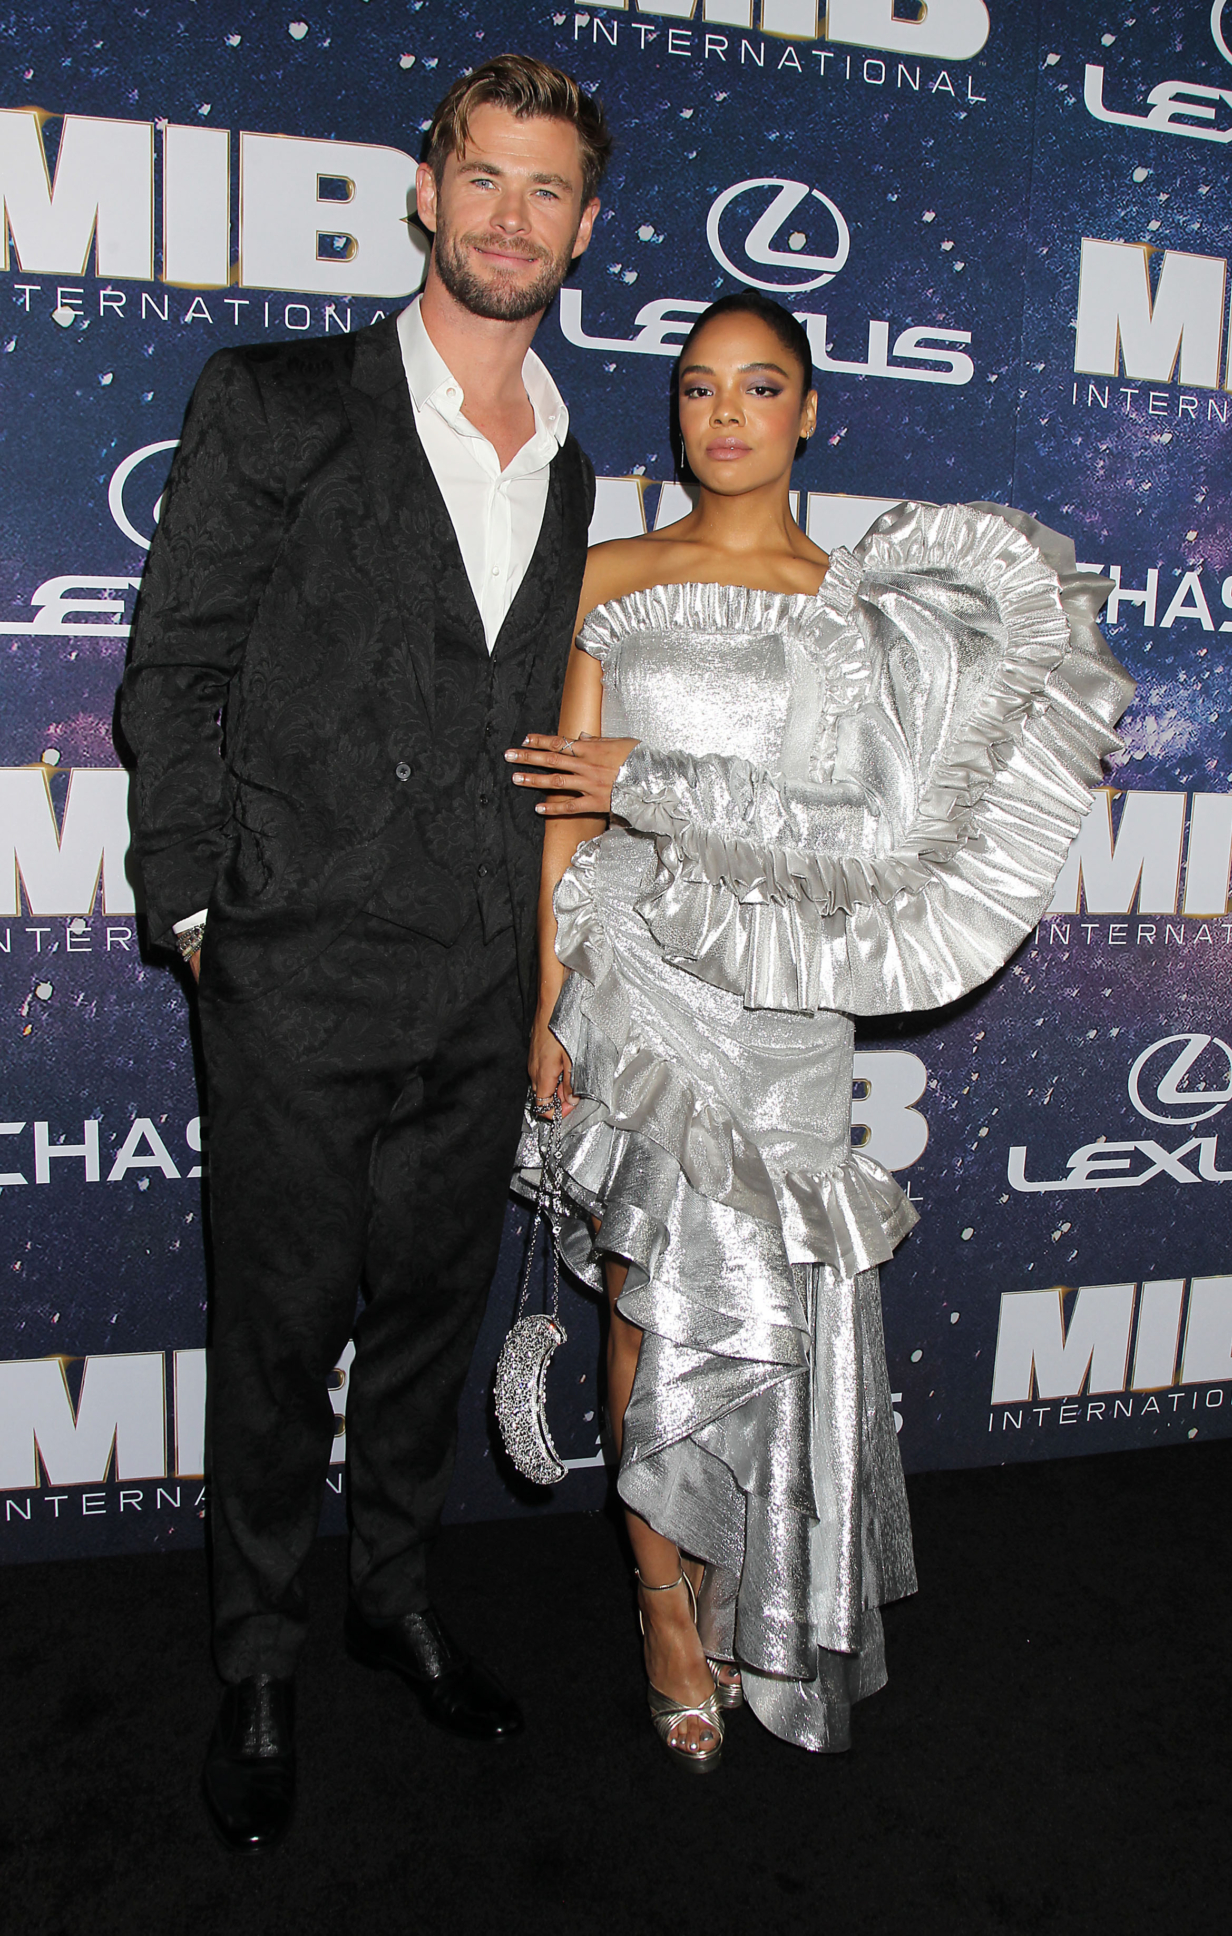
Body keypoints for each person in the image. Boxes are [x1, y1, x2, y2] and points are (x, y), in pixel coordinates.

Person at [508, 290, 1133, 1769]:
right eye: (698, 386)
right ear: (676, 411)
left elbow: (864, 842)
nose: (725, 412)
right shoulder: (607, 573)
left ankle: (752, 1583)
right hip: (634, 979)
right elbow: (562, 821)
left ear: (809, 410)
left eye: (759, 384)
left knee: (762, 1301)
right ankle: (664, 1601)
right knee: (646, 1293)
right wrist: (547, 1003)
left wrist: (655, 779)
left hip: (787, 1001)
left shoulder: (859, 612)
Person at [120, 55, 609, 1849]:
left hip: (478, 981)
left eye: (546, 190)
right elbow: (175, 670)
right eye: (483, 178)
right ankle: (256, 1658)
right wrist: (201, 916)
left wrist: (543, 969)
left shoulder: (574, 459)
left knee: (424, 1326)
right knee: (275, 1338)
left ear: (584, 228)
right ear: (424, 193)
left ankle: (390, 1597)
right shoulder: (275, 401)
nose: (509, 218)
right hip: (295, 978)